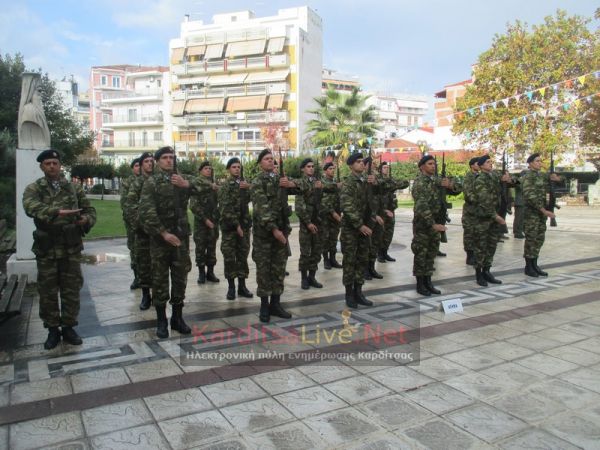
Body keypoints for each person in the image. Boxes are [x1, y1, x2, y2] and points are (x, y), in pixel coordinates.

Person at [23, 149, 96, 349]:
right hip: (47, 249)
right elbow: (30, 207)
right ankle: (52, 330)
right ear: (42, 167)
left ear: (60, 165)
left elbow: (90, 210)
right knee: (47, 291)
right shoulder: (34, 188)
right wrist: (57, 212)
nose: (52, 166)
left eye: (55, 163)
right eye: (48, 163)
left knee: (71, 290)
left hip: (70, 248)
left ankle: (69, 327)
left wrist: (85, 220)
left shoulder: (74, 188)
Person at [139, 146, 195, 338]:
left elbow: (204, 186)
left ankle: (177, 318)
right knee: (160, 280)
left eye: (171, 157)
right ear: (157, 161)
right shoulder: (152, 182)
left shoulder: (180, 179)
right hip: (161, 241)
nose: (169, 161)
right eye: (165, 158)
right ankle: (161, 320)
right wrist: (163, 233)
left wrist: (185, 183)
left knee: (180, 278)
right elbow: (146, 211)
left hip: (180, 238)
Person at [251, 149, 296, 322]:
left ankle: (276, 304)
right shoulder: (257, 182)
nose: (270, 161)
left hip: (281, 233)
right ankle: (264, 306)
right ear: (261, 163)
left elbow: (302, 187)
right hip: (264, 235)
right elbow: (262, 209)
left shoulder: (280, 180)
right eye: (267, 159)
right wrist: (274, 230)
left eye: (272, 159)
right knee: (264, 271)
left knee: (279, 269)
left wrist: (291, 184)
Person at [340, 152, 377, 308]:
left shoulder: (367, 182)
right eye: (358, 162)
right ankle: (349, 294)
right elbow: (347, 206)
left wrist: (376, 183)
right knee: (350, 262)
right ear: (351, 166)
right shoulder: (348, 183)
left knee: (362, 260)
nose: (362, 164)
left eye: (363, 162)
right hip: (351, 230)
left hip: (365, 228)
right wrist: (359, 225)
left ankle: (359, 292)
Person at [411, 155, 451, 296]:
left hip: (436, 223)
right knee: (421, 254)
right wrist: (432, 224)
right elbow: (422, 206)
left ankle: (428, 281)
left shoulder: (436, 181)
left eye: (434, 164)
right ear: (422, 167)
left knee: (431, 254)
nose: (433, 166)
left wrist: (450, 185)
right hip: (424, 224)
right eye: (429, 164)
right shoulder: (419, 183)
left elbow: (456, 189)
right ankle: (420, 284)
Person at [472, 154, 510, 286]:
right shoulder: (480, 179)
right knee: (481, 247)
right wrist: (496, 216)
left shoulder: (493, 176)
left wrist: (507, 179)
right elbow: (484, 201)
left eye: (491, 162)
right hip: (484, 219)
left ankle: (487, 271)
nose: (490, 164)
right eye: (488, 162)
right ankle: (479, 274)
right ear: (481, 166)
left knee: (491, 245)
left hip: (495, 218)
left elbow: (509, 181)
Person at [218, 157, 253, 300]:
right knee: (229, 258)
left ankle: (242, 286)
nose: (237, 169)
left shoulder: (243, 184)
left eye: (239, 167)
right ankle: (231, 287)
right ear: (228, 169)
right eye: (234, 167)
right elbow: (225, 208)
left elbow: (253, 198)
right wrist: (236, 225)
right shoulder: (225, 186)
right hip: (230, 229)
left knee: (242, 257)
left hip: (244, 227)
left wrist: (249, 187)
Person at [522, 153, 561, 277]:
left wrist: (557, 178)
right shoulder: (528, 177)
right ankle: (528, 266)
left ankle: (535, 264)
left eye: (540, 161)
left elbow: (559, 179)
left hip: (541, 214)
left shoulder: (541, 176)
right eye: (537, 161)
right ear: (530, 163)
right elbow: (530, 196)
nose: (540, 163)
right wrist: (543, 210)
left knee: (539, 239)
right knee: (531, 239)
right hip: (532, 214)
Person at [124, 152, 154, 310]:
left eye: (151, 161)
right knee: (143, 264)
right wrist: (143, 226)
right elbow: (130, 208)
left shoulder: (158, 181)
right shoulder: (136, 184)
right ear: (142, 165)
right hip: (143, 233)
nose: (150, 164)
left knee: (158, 265)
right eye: (147, 162)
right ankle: (145, 295)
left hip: (158, 234)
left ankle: (157, 295)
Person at [295, 158, 324, 289]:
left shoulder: (318, 182)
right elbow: (299, 206)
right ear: (303, 169)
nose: (311, 168)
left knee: (317, 251)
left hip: (318, 221)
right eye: (308, 166)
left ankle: (312, 277)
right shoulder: (302, 183)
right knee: (305, 252)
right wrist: (308, 223)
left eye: (312, 166)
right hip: (306, 224)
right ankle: (304, 278)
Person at [190, 161, 220, 284]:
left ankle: (210, 272)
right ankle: (201, 273)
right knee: (201, 249)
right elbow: (193, 205)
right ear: (200, 171)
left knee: (212, 248)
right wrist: (205, 219)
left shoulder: (214, 184)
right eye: (206, 168)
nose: (208, 170)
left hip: (213, 222)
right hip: (201, 223)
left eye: (210, 168)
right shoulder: (197, 184)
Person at [377, 162, 409, 263]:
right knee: (380, 233)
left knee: (389, 233)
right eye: (384, 167)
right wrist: (392, 184)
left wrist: (393, 183)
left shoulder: (391, 179)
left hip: (391, 210)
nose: (386, 169)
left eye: (387, 167)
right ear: (380, 169)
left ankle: (385, 252)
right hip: (382, 211)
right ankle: (379, 254)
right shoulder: (377, 180)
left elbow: (405, 183)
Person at [121, 158, 141, 289]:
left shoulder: (150, 180)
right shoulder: (128, 182)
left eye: (141, 165)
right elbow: (125, 203)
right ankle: (137, 278)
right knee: (134, 250)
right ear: (132, 168)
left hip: (149, 223)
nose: (139, 167)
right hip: (133, 223)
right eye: (136, 165)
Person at [365, 157, 385, 280]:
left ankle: (372, 268)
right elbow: (363, 202)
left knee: (375, 244)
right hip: (369, 217)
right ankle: (364, 270)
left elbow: (383, 190)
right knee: (367, 245)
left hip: (378, 215)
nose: (372, 166)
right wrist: (374, 215)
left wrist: (376, 182)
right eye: (370, 164)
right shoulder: (361, 179)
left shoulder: (376, 178)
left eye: (373, 164)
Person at [320, 161, 343, 270]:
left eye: (333, 169)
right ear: (325, 171)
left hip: (337, 214)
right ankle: (326, 260)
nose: (332, 170)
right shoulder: (322, 182)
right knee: (325, 238)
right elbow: (324, 201)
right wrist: (333, 213)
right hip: (326, 215)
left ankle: (333, 259)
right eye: (330, 169)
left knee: (334, 238)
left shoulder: (335, 181)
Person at [462, 157, 480, 265]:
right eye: (477, 164)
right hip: (470, 211)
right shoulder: (468, 178)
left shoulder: (480, 176)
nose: (479, 165)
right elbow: (468, 194)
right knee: (469, 234)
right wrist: (481, 200)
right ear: (472, 165)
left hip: (479, 211)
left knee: (477, 234)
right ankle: (470, 256)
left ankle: (476, 254)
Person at [512, 169, 527, 239]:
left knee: (522, 218)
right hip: (519, 202)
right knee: (518, 218)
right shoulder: (519, 182)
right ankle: (516, 232)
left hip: (523, 202)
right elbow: (514, 180)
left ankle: (520, 231)